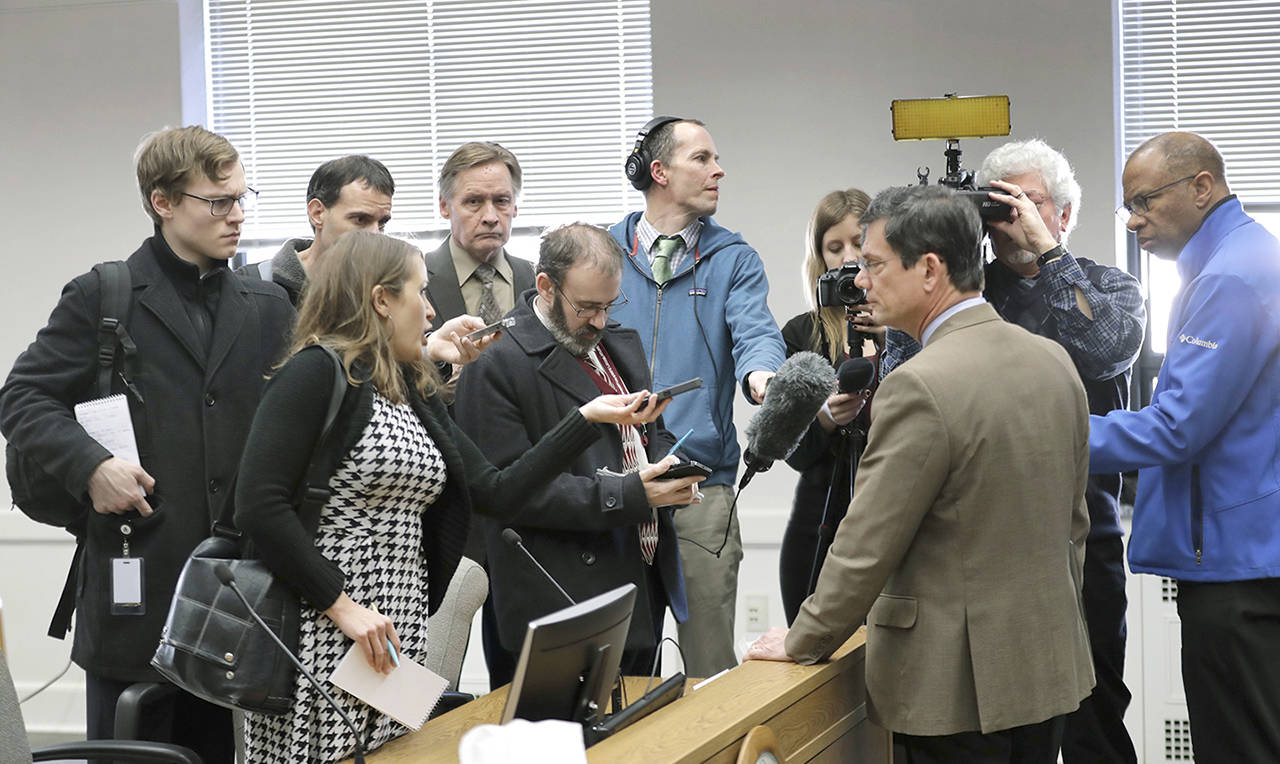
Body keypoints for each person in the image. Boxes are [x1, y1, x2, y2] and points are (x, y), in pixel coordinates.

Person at [234, 230, 666, 762]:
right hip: (321, 625)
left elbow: (496, 488)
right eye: (421, 293)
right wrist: (342, 608)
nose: (434, 311)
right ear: (381, 300)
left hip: (397, 625)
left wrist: (584, 419)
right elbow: (258, 504)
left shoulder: (407, 384)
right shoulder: (314, 371)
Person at [746, 185, 1094, 764]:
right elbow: (1073, 525)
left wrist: (804, 637)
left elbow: (866, 542)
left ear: (929, 270)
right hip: (1048, 664)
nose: (860, 279)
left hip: (956, 687)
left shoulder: (918, 384)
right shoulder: (1051, 359)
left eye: (875, 264)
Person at [0, 126, 295, 761]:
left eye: (244, 198)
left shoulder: (269, 304)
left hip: (238, 592)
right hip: (137, 579)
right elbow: (21, 398)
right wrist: (92, 467)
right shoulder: (102, 295)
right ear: (163, 201)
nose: (237, 214)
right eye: (218, 201)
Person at [880, 139, 1145, 763]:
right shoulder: (957, 295)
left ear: (1067, 213)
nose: (1014, 216)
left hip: (1080, 531)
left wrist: (1048, 256)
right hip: (971, 543)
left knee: (1094, 707)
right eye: (1001, 203)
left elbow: (1109, 346)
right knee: (991, 725)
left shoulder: (1108, 286)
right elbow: (905, 384)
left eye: (1029, 201)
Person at [1091, 131, 1280, 763]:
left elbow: (1176, 428)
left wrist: (1052, 434)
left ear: (1202, 187)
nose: (1133, 219)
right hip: (1245, 556)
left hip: (1236, 572)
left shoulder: (1230, 277)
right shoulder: (1238, 260)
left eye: (1143, 201)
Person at [454, 223, 703, 686]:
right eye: (587, 307)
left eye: (609, 305)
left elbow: (652, 432)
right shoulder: (496, 365)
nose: (600, 321)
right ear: (546, 286)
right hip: (557, 597)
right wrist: (631, 493)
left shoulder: (613, 345)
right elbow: (509, 492)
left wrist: (668, 469)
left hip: (638, 577)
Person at [609, 117, 785, 677]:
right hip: (613, 492)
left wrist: (763, 378)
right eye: (703, 158)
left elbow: (757, 332)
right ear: (659, 172)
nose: (719, 170)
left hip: (699, 492)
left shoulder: (734, 259)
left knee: (710, 669)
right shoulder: (599, 253)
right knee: (621, 671)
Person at [778, 188, 881, 625]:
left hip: (890, 525)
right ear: (819, 259)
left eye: (859, 243)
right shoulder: (802, 335)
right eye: (834, 248)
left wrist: (894, 338)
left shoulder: (911, 328)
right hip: (820, 523)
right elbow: (790, 451)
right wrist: (822, 419)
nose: (848, 257)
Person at [238, 154, 395, 306]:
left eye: (381, 223)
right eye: (360, 220)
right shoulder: (251, 285)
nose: (375, 234)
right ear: (317, 214)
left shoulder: (387, 289)